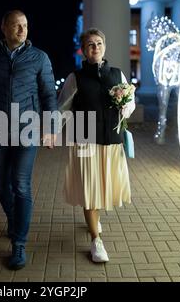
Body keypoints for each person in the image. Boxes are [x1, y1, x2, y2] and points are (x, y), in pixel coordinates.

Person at [0, 10, 58, 270]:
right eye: (15, 25)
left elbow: (48, 95)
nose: (21, 30)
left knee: (20, 184)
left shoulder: (39, 58)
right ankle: (15, 220)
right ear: (4, 27)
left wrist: (50, 127)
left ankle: (18, 243)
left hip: (28, 128)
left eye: (25, 25)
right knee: (2, 184)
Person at [58, 28, 136, 263]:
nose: (95, 48)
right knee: (91, 191)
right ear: (83, 50)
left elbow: (131, 102)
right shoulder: (75, 78)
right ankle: (96, 240)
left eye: (99, 43)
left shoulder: (117, 74)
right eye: (90, 44)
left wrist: (126, 108)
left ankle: (94, 222)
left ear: (105, 46)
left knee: (103, 187)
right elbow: (63, 107)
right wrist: (50, 132)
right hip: (85, 139)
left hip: (111, 141)